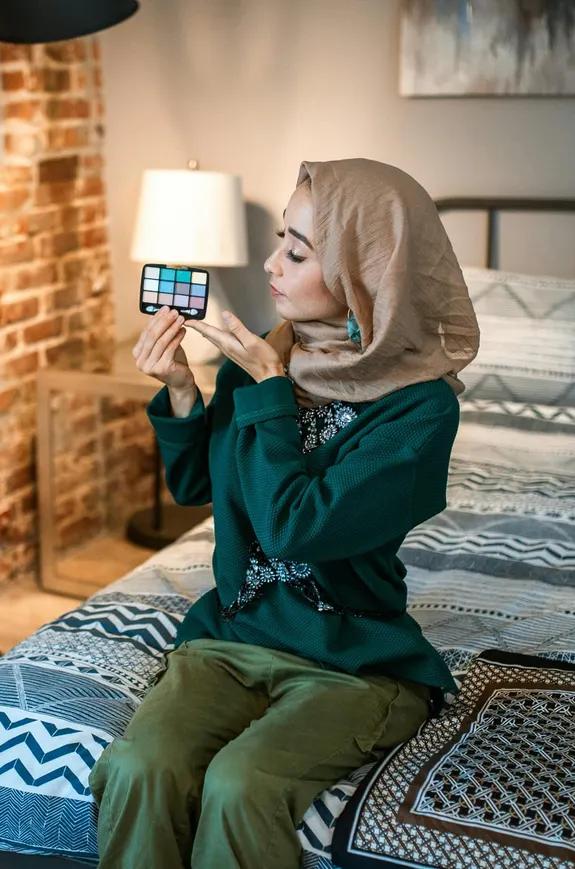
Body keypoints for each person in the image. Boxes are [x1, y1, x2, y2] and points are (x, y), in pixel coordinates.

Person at [88, 158, 481, 869]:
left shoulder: (419, 410)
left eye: (297, 252)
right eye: (280, 240)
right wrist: (181, 388)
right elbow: (195, 486)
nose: (271, 264)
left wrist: (268, 392)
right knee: (136, 767)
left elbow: (295, 527)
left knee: (241, 784)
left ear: (362, 274)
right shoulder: (262, 360)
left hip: (351, 660)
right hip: (230, 638)